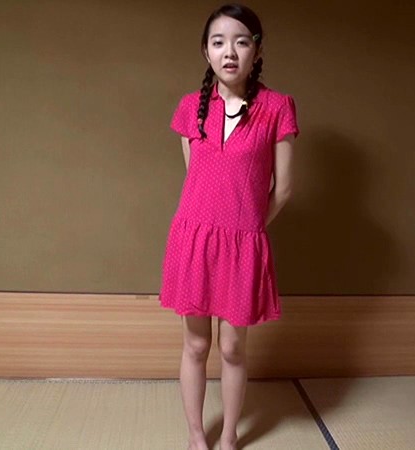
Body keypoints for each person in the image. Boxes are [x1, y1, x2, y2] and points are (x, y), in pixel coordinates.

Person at [158, 4, 298, 449]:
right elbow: (195, 178)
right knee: (196, 345)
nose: (229, 52)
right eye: (218, 43)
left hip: (243, 244)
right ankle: (196, 435)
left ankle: (231, 434)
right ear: (206, 51)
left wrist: (248, 227)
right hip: (194, 239)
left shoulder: (277, 107)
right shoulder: (190, 108)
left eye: (241, 41)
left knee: (233, 348)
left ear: (257, 50)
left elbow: (283, 189)